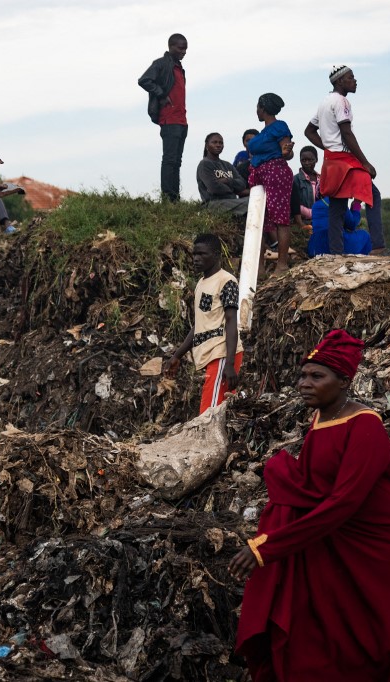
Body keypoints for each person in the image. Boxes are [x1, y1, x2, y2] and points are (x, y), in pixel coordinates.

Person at [229, 329, 390, 681]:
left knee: (377, 638)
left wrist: (265, 549)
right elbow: (314, 487)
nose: (304, 383)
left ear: (344, 381)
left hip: (380, 547)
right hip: (336, 534)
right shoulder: (321, 418)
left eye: (316, 376)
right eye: (303, 375)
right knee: (322, 629)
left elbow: (342, 503)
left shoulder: (365, 427)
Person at [305, 65, 390, 255]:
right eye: (351, 77)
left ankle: (336, 252)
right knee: (372, 194)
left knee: (337, 206)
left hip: (331, 161)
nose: (355, 80)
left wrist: (327, 146)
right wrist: (365, 163)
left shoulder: (325, 102)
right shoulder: (342, 101)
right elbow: (346, 132)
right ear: (340, 81)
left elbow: (308, 131)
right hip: (345, 161)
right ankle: (378, 246)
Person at [164, 234, 241, 415]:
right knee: (214, 412)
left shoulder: (227, 282)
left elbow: (231, 322)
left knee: (209, 414)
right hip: (211, 354)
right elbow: (200, 325)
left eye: (202, 254)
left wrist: (229, 363)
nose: (196, 259)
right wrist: (177, 356)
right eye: (194, 254)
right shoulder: (201, 283)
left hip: (222, 353)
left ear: (215, 255)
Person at [246, 93, 295, 275]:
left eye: (257, 108)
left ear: (263, 109)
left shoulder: (279, 126)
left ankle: (281, 265)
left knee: (280, 219)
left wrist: (286, 152)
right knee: (259, 220)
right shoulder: (263, 132)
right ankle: (259, 267)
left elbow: (287, 152)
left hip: (275, 173)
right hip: (260, 176)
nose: (256, 111)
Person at [138, 33, 188, 202]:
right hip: (169, 119)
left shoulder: (180, 68)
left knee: (177, 161)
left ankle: (175, 198)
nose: (184, 51)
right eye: (180, 48)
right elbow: (144, 80)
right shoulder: (161, 64)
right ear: (171, 46)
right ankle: (168, 199)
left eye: (185, 48)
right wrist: (161, 94)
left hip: (182, 120)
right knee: (170, 160)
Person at [196, 132, 249, 217]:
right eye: (214, 142)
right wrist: (234, 189)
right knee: (251, 202)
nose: (218, 145)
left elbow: (242, 184)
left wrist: (227, 180)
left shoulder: (227, 165)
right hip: (212, 204)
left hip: (231, 202)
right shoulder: (204, 164)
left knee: (256, 200)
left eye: (221, 143)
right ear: (207, 145)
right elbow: (214, 188)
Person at [304, 196, 371, 257]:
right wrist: (356, 205)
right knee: (365, 235)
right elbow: (352, 225)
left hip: (315, 247)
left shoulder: (316, 205)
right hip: (333, 243)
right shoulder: (339, 202)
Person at [292, 146, 320, 225]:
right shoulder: (295, 180)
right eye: (304, 160)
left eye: (310, 160)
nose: (307, 163)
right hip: (302, 223)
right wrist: (311, 213)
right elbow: (294, 204)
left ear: (316, 160)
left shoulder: (322, 179)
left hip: (320, 221)